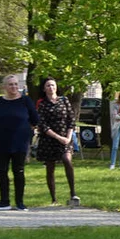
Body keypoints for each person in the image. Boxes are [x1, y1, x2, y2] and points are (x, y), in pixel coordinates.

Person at [0, 74, 39, 211]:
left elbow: (35, 120)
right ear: (4, 87)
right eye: (11, 84)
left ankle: (20, 202)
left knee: (18, 171)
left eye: (16, 84)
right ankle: (4, 201)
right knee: (2, 171)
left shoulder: (25, 101)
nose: (14, 87)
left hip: (20, 143)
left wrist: (26, 134)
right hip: (1, 142)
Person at [36, 78, 79, 207]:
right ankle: (54, 198)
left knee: (67, 160)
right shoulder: (42, 104)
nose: (51, 87)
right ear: (44, 89)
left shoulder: (64, 100)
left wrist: (68, 137)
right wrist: (57, 137)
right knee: (50, 168)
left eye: (53, 85)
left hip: (66, 137)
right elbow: (42, 124)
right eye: (48, 85)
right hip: (49, 139)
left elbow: (71, 119)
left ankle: (73, 193)